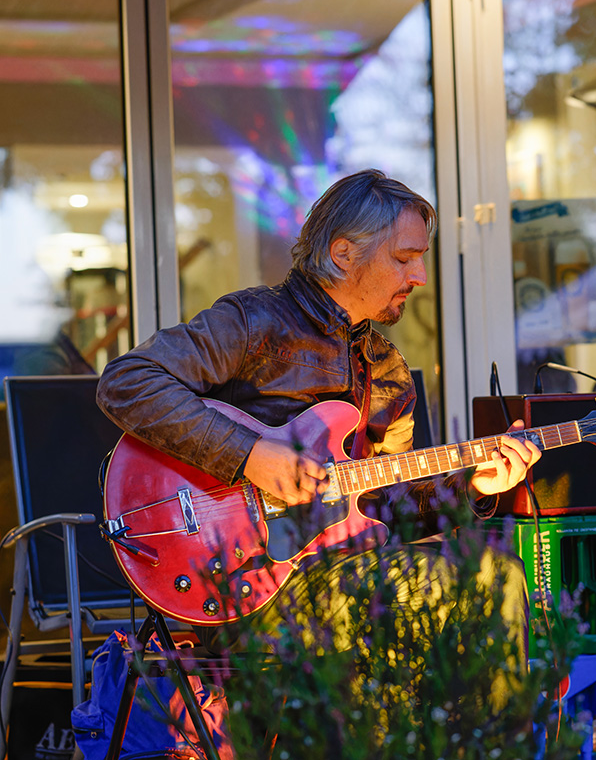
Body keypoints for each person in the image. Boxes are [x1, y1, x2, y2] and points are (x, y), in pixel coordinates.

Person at [95, 168, 539, 653]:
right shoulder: (253, 323)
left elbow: (393, 508)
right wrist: (251, 455)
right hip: (249, 584)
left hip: (348, 569)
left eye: (421, 260)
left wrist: (472, 484)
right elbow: (126, 381)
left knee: (498, 570)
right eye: (405, 258)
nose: (420, 277)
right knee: (484, 581)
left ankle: (459, 730)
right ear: (344, 254)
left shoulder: (388, 370)